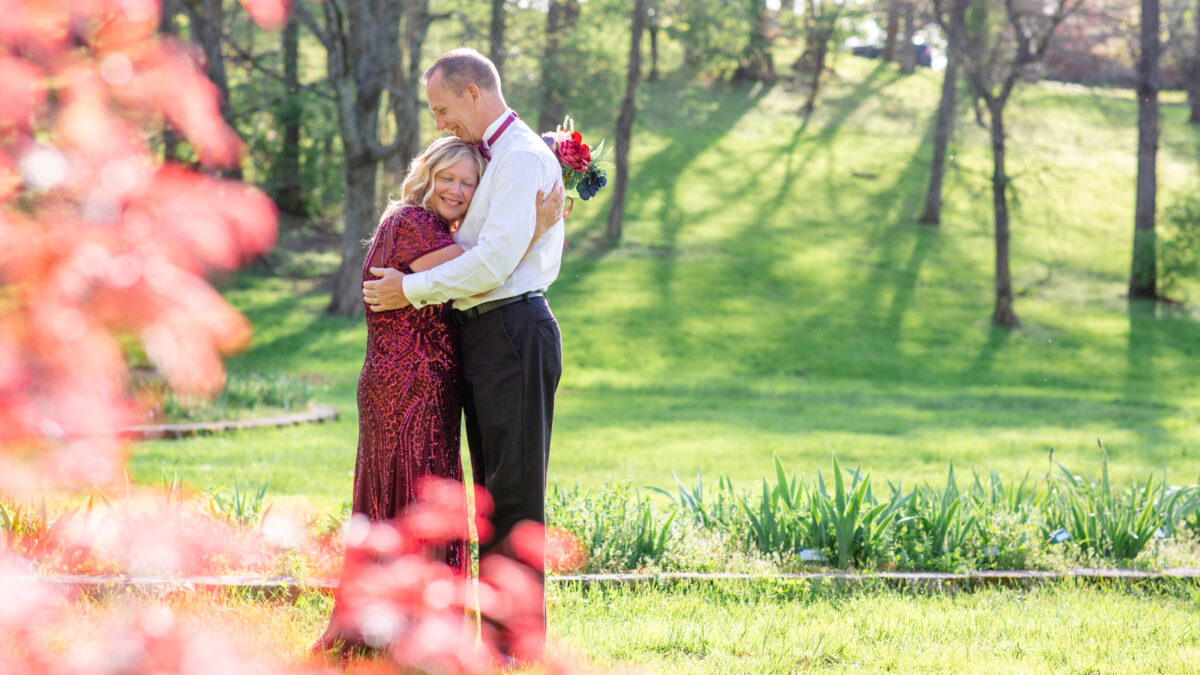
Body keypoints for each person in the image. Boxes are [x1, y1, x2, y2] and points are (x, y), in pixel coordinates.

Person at [313, 135, 563, 654]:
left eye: (468, 183)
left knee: (402, 495)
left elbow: (468, 270)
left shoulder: (422, 226)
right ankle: (410, 630)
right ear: (425, 175)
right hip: (411, 385)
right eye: (447, 177)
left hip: (411, 381)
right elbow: (483, 265)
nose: (456, 189)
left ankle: (397, 624)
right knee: (419, 499)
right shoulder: (413, 223)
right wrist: (535, 227)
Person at [361, 48, 565, 658]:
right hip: (483, 333)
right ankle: (488, 636)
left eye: (444, 108)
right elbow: (481, 247)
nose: (441, 121)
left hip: (513, 331)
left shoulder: (523, 156)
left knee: (515, 489)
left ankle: (514, 644)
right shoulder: (494, 157)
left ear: (474, 93)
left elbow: (496, 263)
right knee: (488, 492)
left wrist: (410, 289)